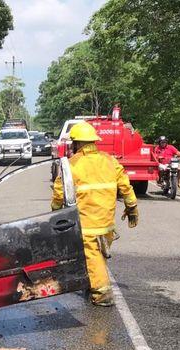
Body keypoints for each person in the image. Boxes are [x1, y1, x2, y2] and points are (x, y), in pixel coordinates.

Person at [51, 121, 139, 307]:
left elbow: (59, 192)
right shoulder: (109, 160)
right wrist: (132, 207)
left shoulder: (72, 164)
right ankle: (93, 284)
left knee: (93, 258)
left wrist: (55, 212)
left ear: (77, 143)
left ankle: (101, 294)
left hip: (86, 224)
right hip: (107, 223)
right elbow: (125, 185)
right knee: (98, 257)